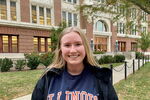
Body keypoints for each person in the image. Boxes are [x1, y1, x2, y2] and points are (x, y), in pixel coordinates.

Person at [32, 27, 118, 100]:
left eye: (78, 44)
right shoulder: (48, 78)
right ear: (60, 49)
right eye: (67, 45)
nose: (73, 50)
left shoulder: (100, 77)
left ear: (85, 47)